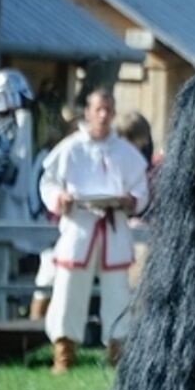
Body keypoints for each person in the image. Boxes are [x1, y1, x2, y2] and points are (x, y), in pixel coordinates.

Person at [39, 88, 149, 374]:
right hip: (79, 228)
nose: (103, 115)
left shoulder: (125, 152)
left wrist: (130, 200)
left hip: (113, 231)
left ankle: (118, 352)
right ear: (87, 112)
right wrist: (59, 198)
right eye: (98, 109)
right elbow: (48, 183)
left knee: (117, 295)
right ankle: (63, 354)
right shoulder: (70, 148)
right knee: (68, 292)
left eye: (109, 110)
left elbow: (141, 188)